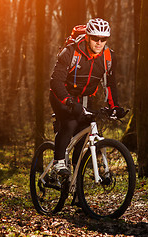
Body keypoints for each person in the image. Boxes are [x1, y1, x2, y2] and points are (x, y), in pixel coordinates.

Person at [49, 18, 126, 176]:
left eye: (103, 39)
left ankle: (77, 179)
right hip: (61, 94)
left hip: (84, 97)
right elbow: (55, 81)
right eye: (95, 38)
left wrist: (115, 107)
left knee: (85, 132)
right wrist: (68, 100)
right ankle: (58, 162)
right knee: (70, 122)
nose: (99, 42)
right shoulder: (70, 52)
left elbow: (110, 84)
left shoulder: (108, 57)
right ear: (87, 37)